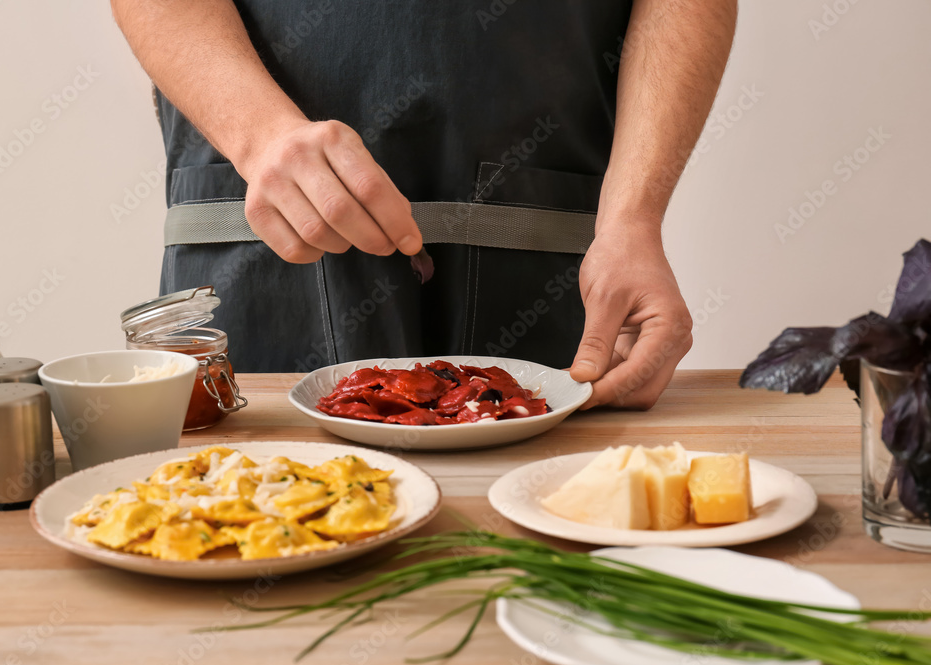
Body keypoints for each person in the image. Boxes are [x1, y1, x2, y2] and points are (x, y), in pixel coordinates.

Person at [111, 0, 737, 409]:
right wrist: (258, 132)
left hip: (548, 263)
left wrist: (633, 221)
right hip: (269, 243)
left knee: (544, 575)